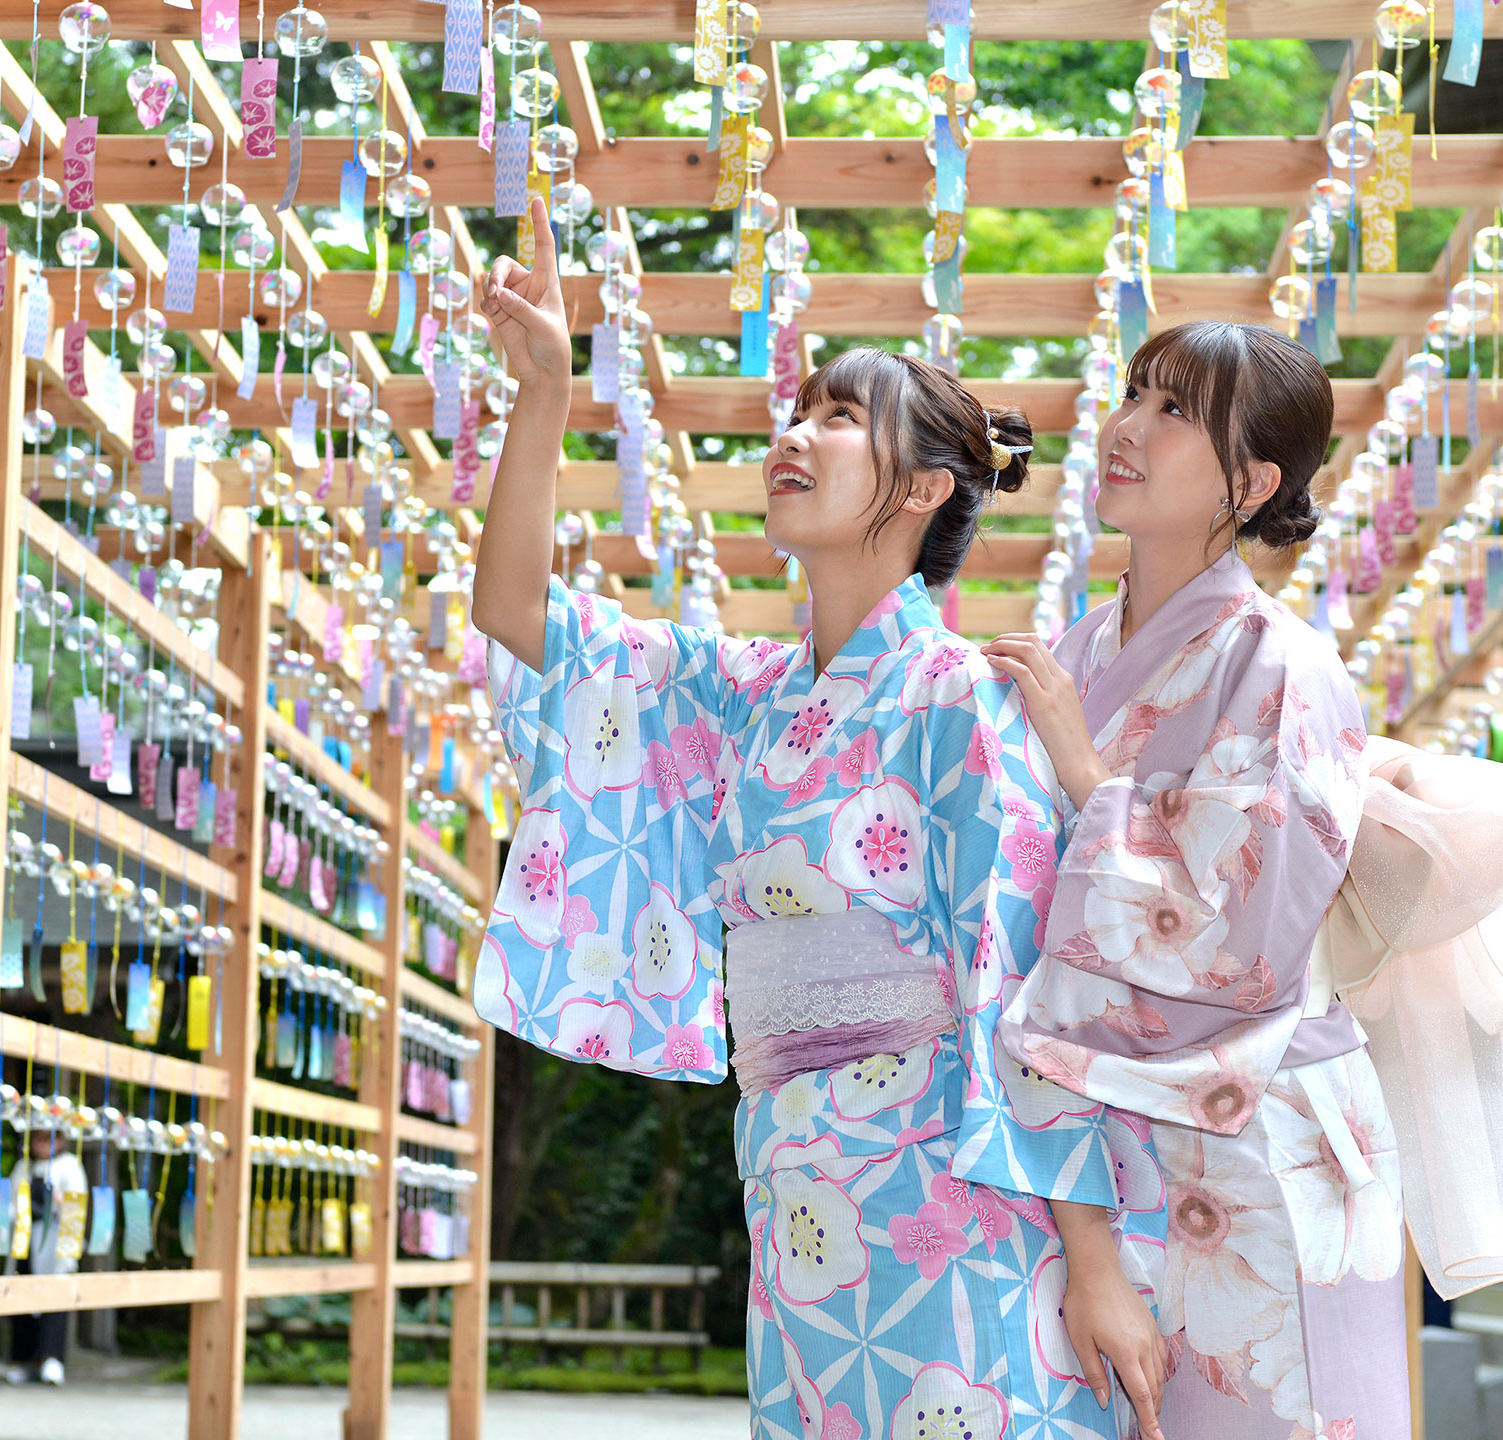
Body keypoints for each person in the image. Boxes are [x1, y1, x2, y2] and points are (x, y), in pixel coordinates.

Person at [471, 196, 1170, 1440]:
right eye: (799, 413)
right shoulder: (739, 693)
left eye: (841, 418)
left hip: (955, 1187)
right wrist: (542, 394)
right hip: (796, 1176)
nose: (796, 436)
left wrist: (1098, 1263)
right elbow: (522, 615)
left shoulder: (961, 694)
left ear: (920, 488)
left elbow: (1028, 981)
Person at [985, 321, 1405, 1438]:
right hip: (1102, 1144)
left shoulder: (1286, 666)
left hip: (1256, 1135)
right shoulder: (1071, 654)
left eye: (1175, 412)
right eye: (1134, 394)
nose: (1128, 426)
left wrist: (1084, 776)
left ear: (1252, 482)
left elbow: (1248, 944)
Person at [6, 1125, 89, 1386]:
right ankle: (25, 1359)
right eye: (39, 1139)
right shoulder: (23, 1167)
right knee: (23, 1299)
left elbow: (76, 1207)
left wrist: (57, 1201)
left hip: (55, 1242)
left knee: (54, 1299)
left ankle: (51, 1357)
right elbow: (8, 1203)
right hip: (26, 1240)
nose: (44, 1144)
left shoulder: (69, 1166)